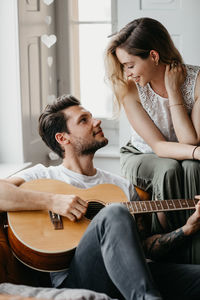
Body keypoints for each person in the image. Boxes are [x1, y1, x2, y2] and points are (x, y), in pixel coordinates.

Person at [1, 94, 200, 300]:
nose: (97, 122)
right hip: (80, 278)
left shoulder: (121, 186)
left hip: (132, 274)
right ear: (63, 138)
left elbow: (144, 249)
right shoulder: (43, 176)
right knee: (114, 211)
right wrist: (53, 201)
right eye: (84, 120)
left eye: (91, 117)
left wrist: (187, 229)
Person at [105, 17, 200, 265]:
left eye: (130, 65)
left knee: (192, 167)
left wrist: (174, 91)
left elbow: (190, 140)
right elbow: (159, 147)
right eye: (124, 66)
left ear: (154, 56)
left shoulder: (196, 80)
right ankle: (175, 253)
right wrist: (196, 152)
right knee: (168, 168)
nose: (127, 73)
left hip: (182, 152)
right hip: (142, 154)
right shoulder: (130, 88)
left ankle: (194, 253)